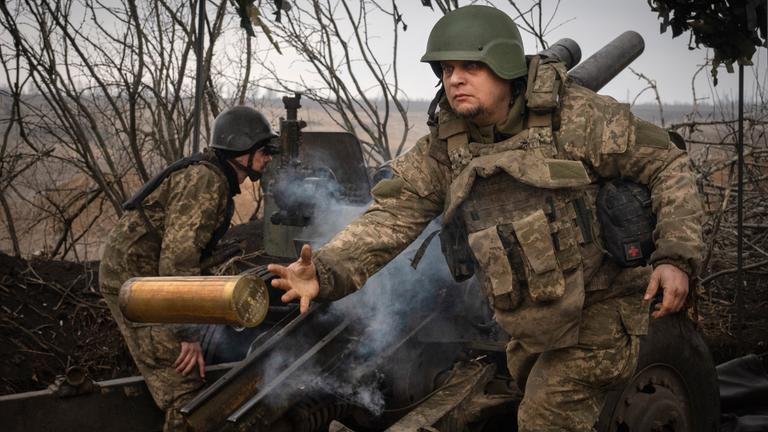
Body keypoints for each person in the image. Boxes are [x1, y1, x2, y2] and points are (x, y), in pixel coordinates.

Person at [268, 5, 704, 431]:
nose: (454, 79)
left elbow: (667, 164)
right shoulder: (446, 147)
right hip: (531, 323)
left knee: (545, 415)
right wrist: (324, 271)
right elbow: (389, 219)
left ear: (505, 66)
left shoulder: (577, 118)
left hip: (603, 308)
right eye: (445, 69)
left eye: (470, 66)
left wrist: (676, 258)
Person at [99, 106, 277, 431]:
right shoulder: (206, 180)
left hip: (150, 278)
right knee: (185, 389)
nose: (267, 160)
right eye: (264, 151)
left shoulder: (215, 178)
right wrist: (187, 334)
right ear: (240, 150)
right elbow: (177, 260)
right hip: (137, 286)